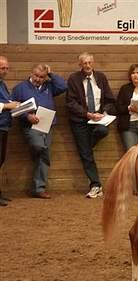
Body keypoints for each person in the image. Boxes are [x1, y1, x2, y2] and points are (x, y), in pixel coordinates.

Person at [11, 64, 67, 199]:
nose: (38, 79)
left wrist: (51, 73)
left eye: (42, 77)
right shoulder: (20, 88)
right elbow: (13, 108)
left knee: (44, 156)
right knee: (39, 147)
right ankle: (38, 177)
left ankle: (38, 188)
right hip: (30, 126)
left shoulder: (49, 86)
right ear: (31, 73)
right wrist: (27, 116)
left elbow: (63, 86)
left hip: (47, 125)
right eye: (36, 75)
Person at [66, 52, 115, 198]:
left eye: (89, 63)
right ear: (80, 65)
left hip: (99, 118)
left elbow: (110, 99)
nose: (87, 66)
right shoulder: (74, 79)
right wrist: (87, 114)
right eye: (84, 63)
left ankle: (86, 146)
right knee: (86, 156)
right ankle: (95, 185)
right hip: (80, 120)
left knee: (102, 132)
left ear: (93, 63)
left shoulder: (101, 77)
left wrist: (104, 112)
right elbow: (70, 102)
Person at [0, 56, 20, 207]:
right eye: (2, 68)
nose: (5, 71)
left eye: (6, 68)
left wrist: (14, 105)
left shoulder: (3, 84)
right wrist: (8, 106)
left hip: (4, 126)